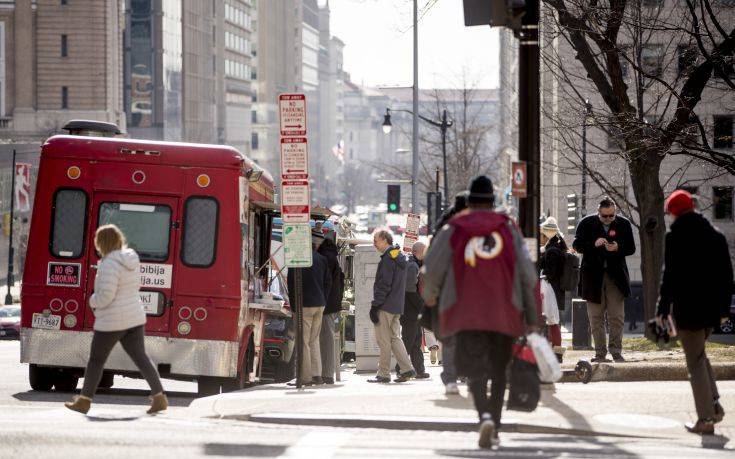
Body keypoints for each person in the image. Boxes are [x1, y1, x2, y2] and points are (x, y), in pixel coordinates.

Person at [422, 176, 539, 448]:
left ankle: (484, 416)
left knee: (474, 371)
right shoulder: (508, 229)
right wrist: (532, 318)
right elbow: (527, 275)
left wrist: (430, 298)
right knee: (499, 370)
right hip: (505, 312)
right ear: (492, 201)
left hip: (465, 313)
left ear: (470, 200)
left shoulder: (454, 228)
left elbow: (432, 269)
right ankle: (495, 426)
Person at [65, 224, 167, 415]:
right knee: (142, 358)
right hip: (134, 316)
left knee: (96, 360)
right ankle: (159, 397)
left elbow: (106, 296)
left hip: (112, 320)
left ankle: (84, 401)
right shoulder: (131, 259)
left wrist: (91, 300)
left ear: (101, 242)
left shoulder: (109, 263)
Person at [656, 190, 732, 435]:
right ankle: (714, 406)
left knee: (695, 363)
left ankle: (706, 419)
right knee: (700, 356)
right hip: (711, 311)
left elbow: (669, 278)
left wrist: (661, 309)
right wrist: (722, 310)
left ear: (675, 212)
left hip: (687, 310)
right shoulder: (715, 235)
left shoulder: (674, 237)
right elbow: (726, 277)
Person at [573, 196, 635, 363]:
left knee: (617, 316)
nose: (608, 219)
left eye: (611, 216)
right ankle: (600, 353)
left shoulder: (623, 224)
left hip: (616, 278)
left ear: (615, 212)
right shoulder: (586, 223)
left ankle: (616, 351)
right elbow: (576, 245)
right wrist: (593, 244)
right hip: (593, 278)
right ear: (598, 212)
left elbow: (631, 248)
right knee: (595, 317)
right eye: (604, 216)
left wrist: (618, 247)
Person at [368, 229, 415, 383]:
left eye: (375, 240)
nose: (374, 244)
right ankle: (407, 369)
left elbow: (384, 284)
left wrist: (375, 305)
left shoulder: (388, 258)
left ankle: (383, 374)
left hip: (385, 305)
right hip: (396, 305)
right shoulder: (398, 256)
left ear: (383, 239)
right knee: (395, 338)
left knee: (384, 340)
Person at [288, 230, 331, 386]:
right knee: (313, 341)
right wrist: (323, 300)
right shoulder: (322, 259)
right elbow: (328, 283)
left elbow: (291, 285)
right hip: (319, 304)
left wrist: (294, 307)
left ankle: (305, 377)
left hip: (304, 306)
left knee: (303, 342)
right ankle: (317, 374)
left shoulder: (296, 260)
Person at [396, 241, 430, 379]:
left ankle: (419, 370)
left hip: (412, 311)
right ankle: (401, 369)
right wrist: (422, 305)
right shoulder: (412, 266)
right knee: (408, 341)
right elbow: (410, 290)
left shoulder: (414, 264)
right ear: (419, 252)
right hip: (409, 311)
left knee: (416, 341)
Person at [539, 217, 567, 360]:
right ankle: (556, 353)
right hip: (555, 290)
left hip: (551, 290)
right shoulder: (555, 247)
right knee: (553, 321)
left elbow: (551, 272)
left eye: (542, 235)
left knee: (552, 321)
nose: (540, 238)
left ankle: (556, 354)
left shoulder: (552, 251)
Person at [318, 238, 345, 385]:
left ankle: (326, 374)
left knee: (325, 339)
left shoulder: (326, 259)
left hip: (325, 306)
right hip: (333, 306)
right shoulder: (335, 260)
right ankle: (327, 373)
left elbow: (325, 282)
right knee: (328, 339)